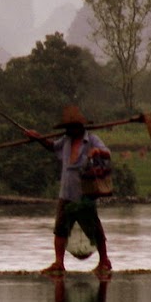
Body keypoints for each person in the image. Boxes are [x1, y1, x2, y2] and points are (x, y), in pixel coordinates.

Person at [27, 105, 112, 276]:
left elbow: (107, 154)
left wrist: (97, 152)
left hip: (84, 193)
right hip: (66, 192)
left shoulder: (92, 140)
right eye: (67, 128)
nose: (69, 131)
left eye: (71, 128)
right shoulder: (65, 141)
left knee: (94, 227)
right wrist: (37, 138)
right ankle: (59, 263)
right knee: (60, 228)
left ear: (79, 127)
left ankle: (104, 260)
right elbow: (52, 147)